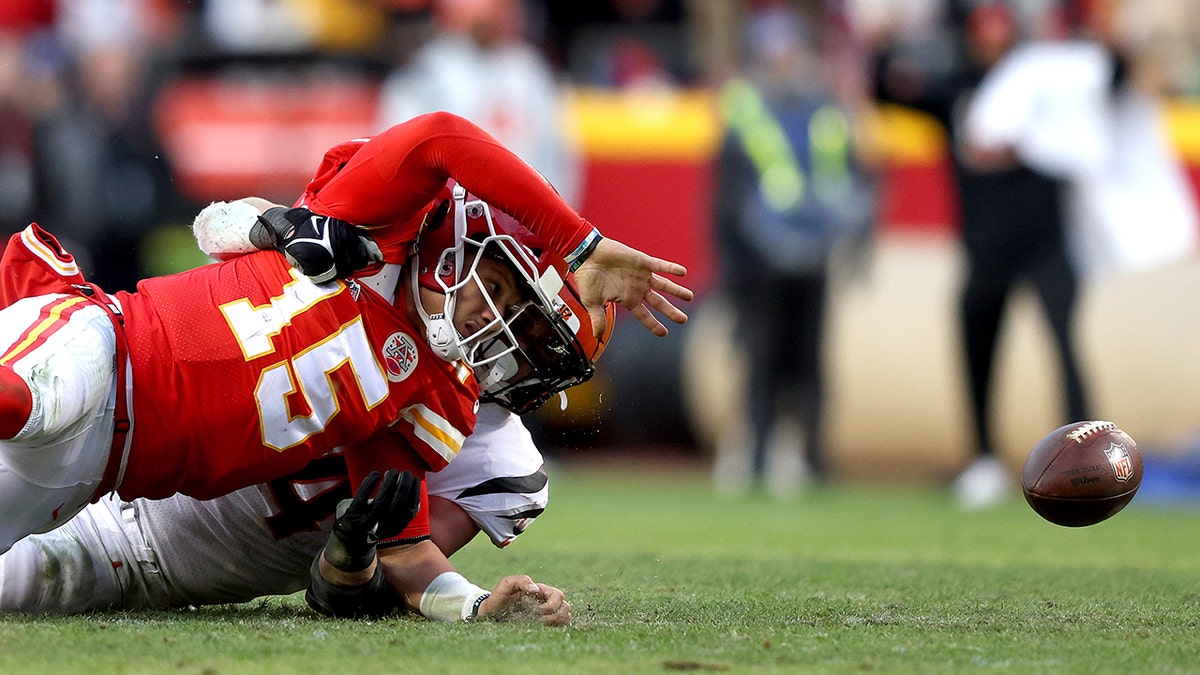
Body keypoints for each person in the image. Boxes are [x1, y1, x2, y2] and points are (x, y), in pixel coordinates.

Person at [0, 111, 692, 622]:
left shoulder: (431, 404)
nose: (507, 338)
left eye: (537, 346)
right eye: (515, 306)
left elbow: (394, 569)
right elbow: (223, 226)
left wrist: (470, 601)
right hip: (113, 357)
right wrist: (580, 242)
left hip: (113, 500)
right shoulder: (383, 223)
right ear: (474, 247)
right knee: (30, 400)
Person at [872, 2, 1089, 508]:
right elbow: (886, 89)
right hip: (986, 248)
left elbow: (1108, 79)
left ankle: (1085, 459)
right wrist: (886, 41)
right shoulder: (959, 90)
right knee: (977, 350)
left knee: (1065, 345)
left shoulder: (1048, 86)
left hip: (1046, 242)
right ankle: (983, 457)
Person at [711, 5, 875, 496]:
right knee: (761, 357)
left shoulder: (829, 109)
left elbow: (857, 176)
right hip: (762, 256)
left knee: (811, 361)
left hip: (816, 250)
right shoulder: (747, 110)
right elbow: (727, 196)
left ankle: (813, 458)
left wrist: (856, 241)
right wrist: (730, 265)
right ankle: (759, 456)